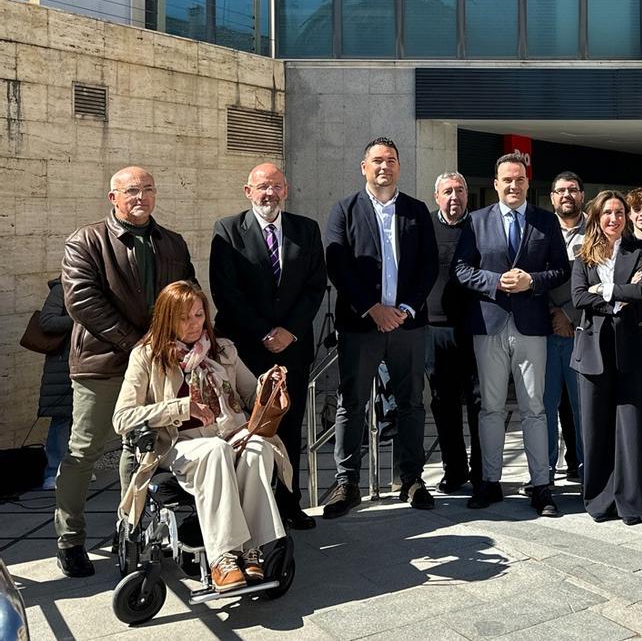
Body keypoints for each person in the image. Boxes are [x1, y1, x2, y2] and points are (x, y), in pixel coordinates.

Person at [57, 166, 194, 578]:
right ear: (112, 197)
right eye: (131, 190)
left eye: (148, 190)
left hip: (158, 364)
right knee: (85, 451)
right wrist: (136, 343)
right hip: (104, 363)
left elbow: (187, 295)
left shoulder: (171, 242)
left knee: (141, 449)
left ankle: (128, 529)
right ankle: (70, 538)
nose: (141, 197)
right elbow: (81, 299)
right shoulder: (86, 240)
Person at [113, 281, 290, 593]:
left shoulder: (223, 351)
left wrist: (271, 385)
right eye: (184, 318)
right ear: (167, 318)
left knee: (259, 447)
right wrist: (182, 407)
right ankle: (223, 556)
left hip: (231, 437)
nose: (193, 324)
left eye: (198, 315)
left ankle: (252, 550)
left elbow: (251, 393)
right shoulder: (146, 356)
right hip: (180, 447)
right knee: (215, 450)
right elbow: (122, 417)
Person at [324, 137, 438, 519]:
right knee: (352, 403)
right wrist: (372, 309)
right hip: (361, 326)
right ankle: (346, 482)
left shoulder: (417, 211)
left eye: (391, 160)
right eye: (377, 160)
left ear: (399, 167)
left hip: (408, 325)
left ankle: (411, 478)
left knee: (411, 403)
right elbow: (338, 266)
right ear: (364, 167)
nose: (384, 166)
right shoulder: (344, 210)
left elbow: (428, 266)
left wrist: (404, 308)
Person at [209, 163, 327, 530]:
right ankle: (245, 509)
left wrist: (289, 331)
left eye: (276, 186)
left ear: (286, 190)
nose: (269, 194)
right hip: (245, 349)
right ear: (248, 191)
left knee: (289, 425)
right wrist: (264, 332)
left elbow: (314, 286)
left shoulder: (306, 230)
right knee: (244, 427)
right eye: (262, 187)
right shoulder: (227, 230)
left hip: (292, 348)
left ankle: (289, 502)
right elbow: (225, 292)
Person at [453, 153, 570, 517]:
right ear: (496, 182)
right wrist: (495, 282)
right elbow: (461, 269)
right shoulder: (475, 221)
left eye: (520, 179)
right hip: (488, 326)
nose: (514, 186)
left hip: (532, 327)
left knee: (535, 408)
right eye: (507, 180)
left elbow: (561, 270)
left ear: (527, 182)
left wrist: (531, 281)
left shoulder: (545, 222)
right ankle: (489, 481)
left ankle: (540, 485)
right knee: (490, 408)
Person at [570, 190, 642, 524]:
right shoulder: (583, 256)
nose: (614, 218)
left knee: (632, 430)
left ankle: (631, 503)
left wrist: (602, 291)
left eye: (620, 212)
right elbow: (577, 297)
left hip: (631, 350)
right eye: (608, 212)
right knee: (596, 428)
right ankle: (599, 501)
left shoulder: (638, 249)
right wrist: (620, 297)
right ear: (596, 216)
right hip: (593, 352)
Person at [426, 171, 482, 493]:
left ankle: (480, 471)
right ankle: (454, 469)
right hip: (435, 329)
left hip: (474, 327)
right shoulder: (425, 229)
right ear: (437, 197)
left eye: (459, 190)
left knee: (478, 401)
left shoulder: (477, 228)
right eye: (447, 191)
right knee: (443, 402)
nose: (454, 197)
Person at [545, 171, 587, 481]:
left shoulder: (597, 231)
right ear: (552, 197)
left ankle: (587, 467)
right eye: (560, 191)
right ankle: (544, 468)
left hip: (583, 330)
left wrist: (569, 314)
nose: (566, 195)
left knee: (582, 406)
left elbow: (602, 279)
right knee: (544, 405)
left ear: (582, 195)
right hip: (545, 329)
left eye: (572, 190)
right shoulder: (541, 230)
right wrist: (553, 313)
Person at [37, 279, 74, 490]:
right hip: (62, 364)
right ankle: (53, 471)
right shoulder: (61, 289)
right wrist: (77, 319)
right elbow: (47, 321)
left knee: (82, 419)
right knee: (61, 418)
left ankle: (73, 468)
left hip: (86, 360)